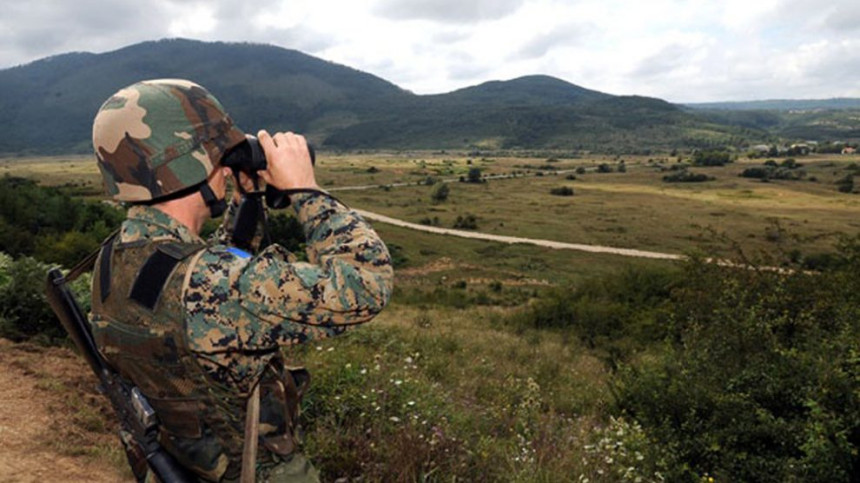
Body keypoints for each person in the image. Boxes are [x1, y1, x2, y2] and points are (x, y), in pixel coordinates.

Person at [89, 79, 394, 482]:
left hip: (184, 461)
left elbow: (212, 281)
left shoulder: (114, 259)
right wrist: (307, 190)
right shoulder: (218, 284)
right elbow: (366, 283)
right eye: (220, 152)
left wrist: (246, 201)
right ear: (191, 162)